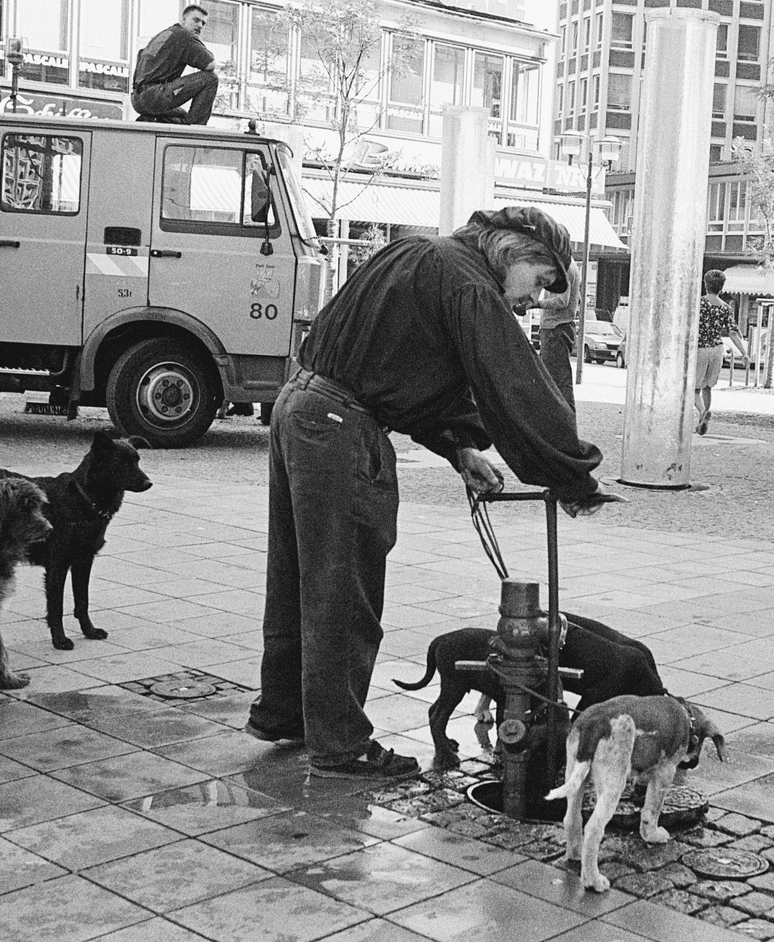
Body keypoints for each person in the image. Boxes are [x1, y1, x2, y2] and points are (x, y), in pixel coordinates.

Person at [244, 207, 606, 779]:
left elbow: (397, 369)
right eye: (540, 283)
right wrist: (571, 473)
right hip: (340, 429)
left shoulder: (421, 253)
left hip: (303, 408)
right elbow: (514, 385)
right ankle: (339, 745)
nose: (533, 301)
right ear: (516, 250)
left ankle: (285, 712)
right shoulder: (468, 281)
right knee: (344, 593)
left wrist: (457, 448)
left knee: (298, 580)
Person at [131, 4, 219, 126]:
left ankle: (152, 120)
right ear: (183, 19)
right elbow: (210, 65)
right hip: (155, 95)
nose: (199, 26)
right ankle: (195, 131)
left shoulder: (163, 35)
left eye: (203, 23)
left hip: (138, 100)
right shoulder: (184, 35)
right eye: (196, 20)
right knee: (211, 78)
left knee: (182, 116)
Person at [695, 269, 746, 435]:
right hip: (717, 349)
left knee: (694, 388)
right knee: (707, 387)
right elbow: (732, 332)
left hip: (700, 348)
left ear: (705, 284)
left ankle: (702, 412)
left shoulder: (699, 303)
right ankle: (701, 419)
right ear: (721, 287)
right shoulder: (726, 308)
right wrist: (744, 353)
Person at [536, 260, 579, 414]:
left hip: (556, 328)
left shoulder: (566, 268)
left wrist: (537, 304)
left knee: (558, 382)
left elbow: (562, 301)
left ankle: (566, 426)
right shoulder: (567, 266)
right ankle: (560, 424)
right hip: (556, 328)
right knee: (556, 381)